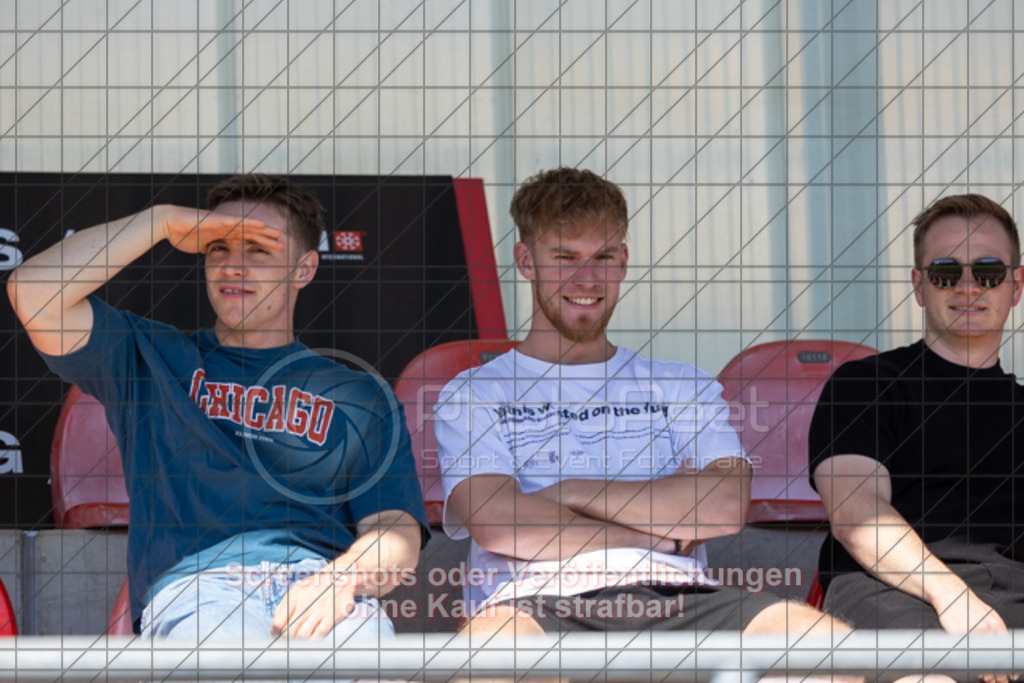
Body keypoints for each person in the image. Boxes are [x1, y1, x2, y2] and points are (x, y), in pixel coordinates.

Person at [7, 174, 429, 644]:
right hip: (199, 589)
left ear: (304, 269)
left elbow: (395, 531)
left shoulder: (358, 393)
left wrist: (341, 579)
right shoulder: (151, 357)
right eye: (219, 248)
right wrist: (159, 221)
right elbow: (33, 294)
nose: (233, 267)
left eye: (258, 251)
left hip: (323, 589)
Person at [434, 166, 848, 640]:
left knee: (827, 649)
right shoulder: (474, 392)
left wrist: (569, 490)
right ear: (526, 261)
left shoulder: (680, 384)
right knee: (489, 654)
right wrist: (660, 533)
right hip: (533, 603)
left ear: (624, 260)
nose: (587, 278)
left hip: (682, 595)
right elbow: (503, 527)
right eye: (565, 257)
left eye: (603, 256)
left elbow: (724, 506)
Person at [809, 193, 1024, 633]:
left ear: (1016, 286)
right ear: (918, 285)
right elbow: (857, 513)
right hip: (889, 592)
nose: (968, 286)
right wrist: (952, 596)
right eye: (946, 272)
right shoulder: (866, 385)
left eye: (988, 271)